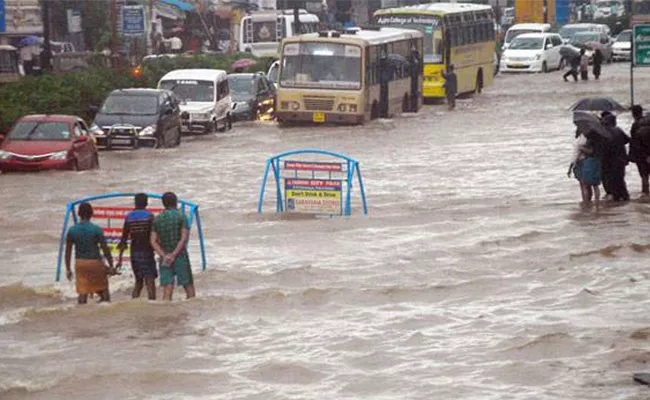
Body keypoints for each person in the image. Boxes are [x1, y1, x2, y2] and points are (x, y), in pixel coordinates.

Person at [65, 202, 116, 304]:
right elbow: (105, 249)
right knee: (104, 294)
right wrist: (111, 265)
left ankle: (81, 315)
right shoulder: (96, 229)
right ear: (91, 214)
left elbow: (68, 252)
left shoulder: (72, 230)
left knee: (82, 293)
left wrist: (68, 269)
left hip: (80, 264)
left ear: (79, 214)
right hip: (95, 263)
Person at [150, 192, 195, 301]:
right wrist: (174, 254)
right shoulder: (181, 216)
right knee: (188, 288)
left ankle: (166, 315)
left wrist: (164, 256)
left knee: (167, 289)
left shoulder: (157, 219)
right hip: (180, 256)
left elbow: (153, 241)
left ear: (163, 203)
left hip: (164, 258)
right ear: (175, 202)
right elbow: (183, 239)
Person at [117, 193, 157, 300]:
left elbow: (123, 239)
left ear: (135, 202)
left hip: (134, 253)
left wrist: (119, 260)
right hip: (147, 252)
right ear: (146, 203)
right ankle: (152, 304)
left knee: (138, 281)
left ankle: (133, 301)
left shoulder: (129, 217)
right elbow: (155, 237)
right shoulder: (150, 216)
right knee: (150, 280)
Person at [568, 128, 604, 208]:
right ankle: (595, 202)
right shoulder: (597, 140)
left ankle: (586, 202)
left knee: (584, 184)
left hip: (583, 163)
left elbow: (575, 155)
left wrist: (570, 167)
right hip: (595, 162)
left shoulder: (580, 142)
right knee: (594, 185)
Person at [601, 111, 630, 201]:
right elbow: (627, 140)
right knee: (620, 179)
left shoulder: (603, 132)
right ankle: (625, 197)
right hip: (621, 159)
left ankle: (616, 198)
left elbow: (602, 147)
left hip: (609, 161)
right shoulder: (618, 130)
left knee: (611, 180)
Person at [629, 105, 650, 196]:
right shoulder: (648, 121)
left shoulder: (635, 125)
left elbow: (634, 141)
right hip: (648, 153)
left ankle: (645, 194)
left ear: (633, 114)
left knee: (644, 175)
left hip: (641, 154)